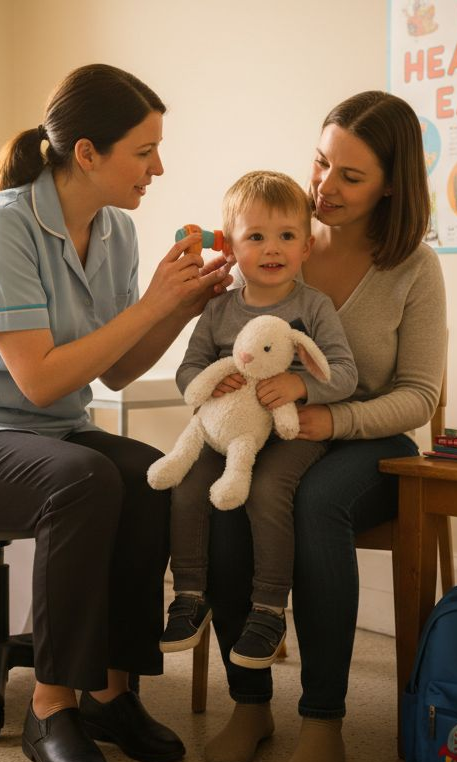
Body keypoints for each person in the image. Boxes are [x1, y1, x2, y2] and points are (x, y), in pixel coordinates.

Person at [0, 64, 231, 762]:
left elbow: (114, 370)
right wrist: (149, 304)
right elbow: (42, 380)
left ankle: (112, 695)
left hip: (48, 438)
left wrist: (178, 307)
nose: (158, 168)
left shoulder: (114, 231)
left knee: (149, 474)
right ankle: (51, 707)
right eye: (144, 152)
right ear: (87, 153)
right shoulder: (2, 226)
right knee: (84, 478)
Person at [201, 92, 447, 762]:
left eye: (350, 176)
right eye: (320, 164)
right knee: (225, 501)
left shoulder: (415, 268)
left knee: (315, 507)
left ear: (392, 184)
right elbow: (229, 332)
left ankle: (321, 720)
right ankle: (249, 705)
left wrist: (332, 418)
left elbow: (419, 396)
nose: (323, 187)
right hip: (275, 433)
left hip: (370, 443)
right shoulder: (284, 243)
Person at [156, 171, 357, 670]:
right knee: (184, 485)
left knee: (268, 491)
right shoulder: (220, 308)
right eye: (257, 237)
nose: (273, 249)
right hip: (225, 430)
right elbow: (189, 368)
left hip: (289, 431)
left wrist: (300, 385)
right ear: (232, 247)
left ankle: (269, 608)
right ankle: (189, 594)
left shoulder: (314, 306)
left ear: (306, 246)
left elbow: (345, 374)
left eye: (287, 236)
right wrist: (204, 385)